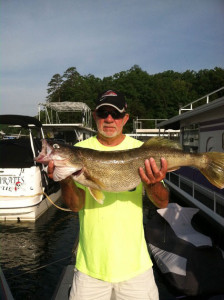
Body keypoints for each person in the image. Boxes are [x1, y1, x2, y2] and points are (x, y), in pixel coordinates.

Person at [48, 90, 169, 300]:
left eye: (116, 114)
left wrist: (154, 183)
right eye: (103, 113)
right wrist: (65, 179)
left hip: (136, 269)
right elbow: (76, 206)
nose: (109, 119)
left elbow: (162, 202)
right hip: (89, 269)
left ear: (125, 118)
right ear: (95, 116)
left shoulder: (142, 150)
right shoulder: (79, 151)